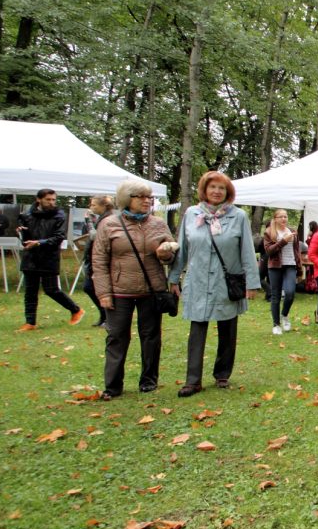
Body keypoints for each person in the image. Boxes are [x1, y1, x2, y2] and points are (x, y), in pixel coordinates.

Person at [168, 171, 260, 397]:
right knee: (197, 329)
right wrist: (173, 277)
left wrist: (252, 283)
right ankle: (193, 381)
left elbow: (247, 251)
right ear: (204, 190)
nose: (217, 191)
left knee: (228, 328)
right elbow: (182, 249)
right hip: (198, 281)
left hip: (225, 282)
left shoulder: (238, 216)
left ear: (228, 192)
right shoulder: (191, 214)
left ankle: (222, 374)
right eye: (213, 187)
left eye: (221, 188)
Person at [91, 181, 176, 399]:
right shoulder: (109, 224)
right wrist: (103, 293)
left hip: (151, 289)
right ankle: (113, 385)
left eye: (149, 197)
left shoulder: (158, 224)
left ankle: (149, 381)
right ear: (126, 199)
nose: (147, 201)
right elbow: (99, 260)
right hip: (119, 291)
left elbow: (172, 254)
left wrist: (166, 253)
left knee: (151, 337)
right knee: (117, 337)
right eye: (141, 197)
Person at [16, 188, 84, 331]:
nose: (52, 202)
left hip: (49, 257)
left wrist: (40, 243)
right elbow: (25, 240)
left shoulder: (59, 216)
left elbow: (59, 237)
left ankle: (76, 310)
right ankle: (30, 322)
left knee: (51, 289)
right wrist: (20, 233)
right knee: (30, 291)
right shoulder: (27, 215)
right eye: (48, 199)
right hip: (30, 257)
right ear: (38, 199)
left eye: (53, 199)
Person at [263, 209, 304, 335]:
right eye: (281, 217)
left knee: (290, 293)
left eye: (285, 216)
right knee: (275, 296)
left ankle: (284, 315)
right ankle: (276, 324)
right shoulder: (269, 231)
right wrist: (283, 241)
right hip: (275, 266)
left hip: (290, 265)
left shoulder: (292, 231)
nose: (283, 219)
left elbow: (297, 251)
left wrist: (300, 270)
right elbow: (269, 251)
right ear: (275, 219)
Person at [79, 195, 115, 328]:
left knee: (93, 287)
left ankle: (108, 317)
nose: (91, 207)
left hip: (102, 259)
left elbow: (96, 236)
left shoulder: (109, 219)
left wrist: (88, 221)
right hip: (93, 258)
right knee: (89, 287)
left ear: (104, 206)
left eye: (94, 205)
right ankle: (104, 315)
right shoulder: (102, 218)